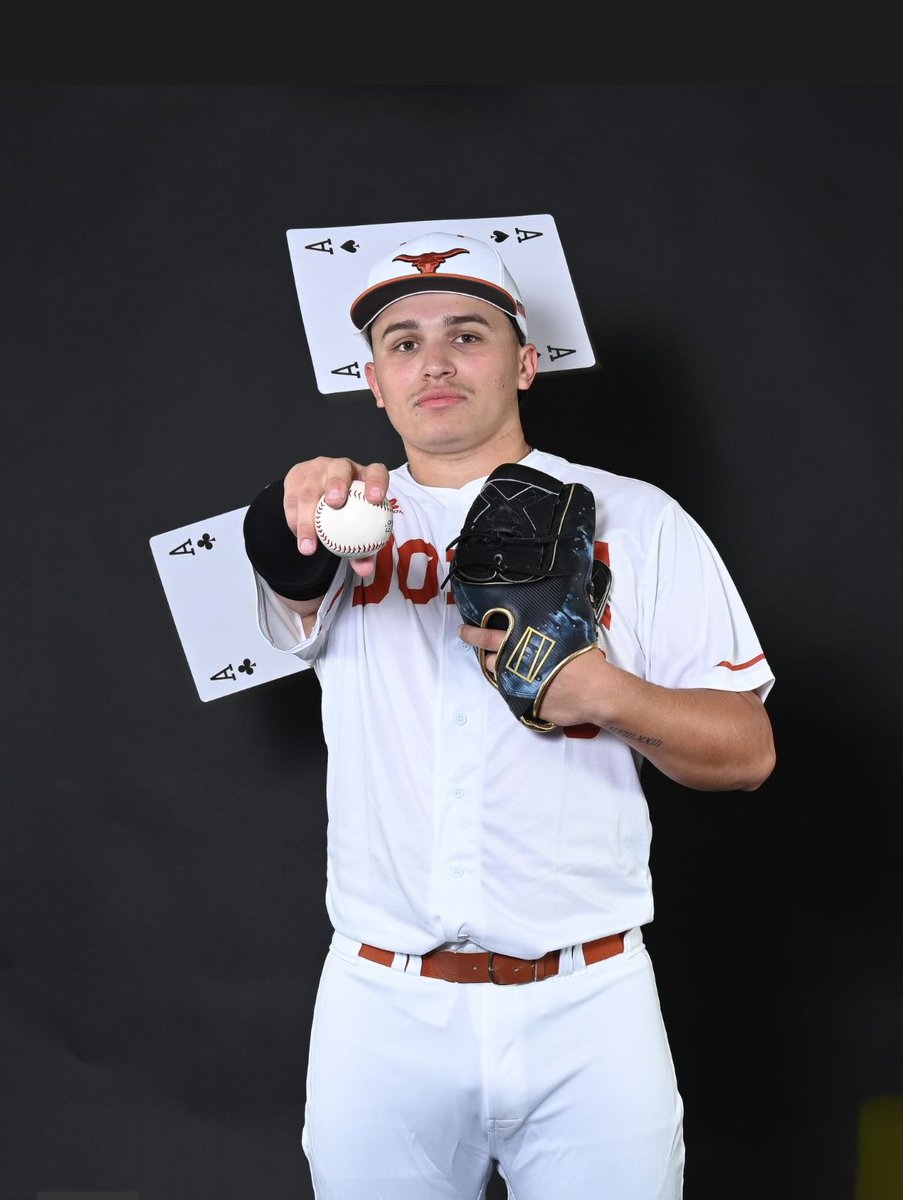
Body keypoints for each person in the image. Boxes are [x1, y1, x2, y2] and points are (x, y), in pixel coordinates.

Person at [242, 230, 776, 1199]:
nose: (434, 361)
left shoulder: (637, 519)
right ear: (373, 380)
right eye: (402, 342)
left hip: (590, 1001)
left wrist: (604, 692)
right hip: (381, 1007)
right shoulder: (337, 519)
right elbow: (286, 583)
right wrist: (287, 529)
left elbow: (746, 752)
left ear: (525, 362)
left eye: (467, 335)